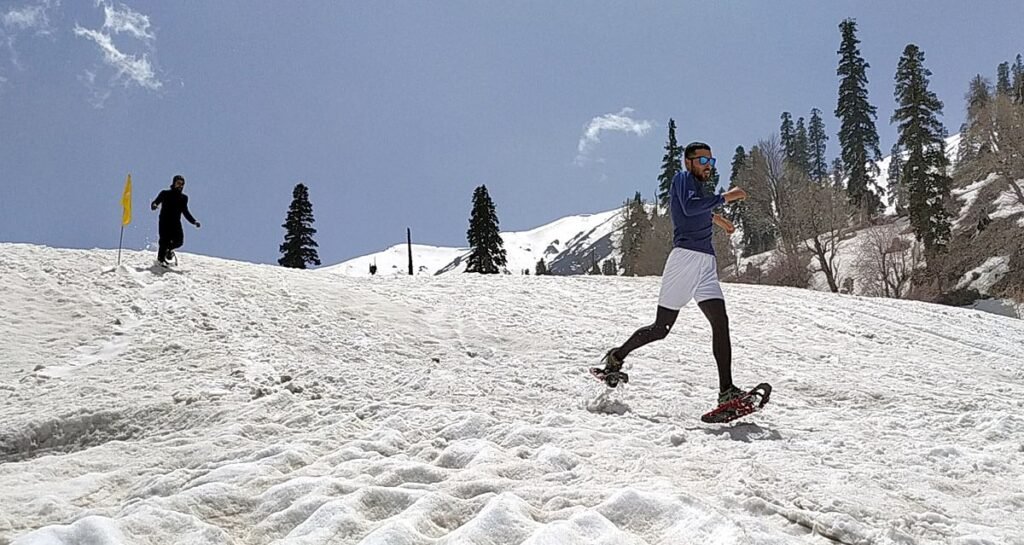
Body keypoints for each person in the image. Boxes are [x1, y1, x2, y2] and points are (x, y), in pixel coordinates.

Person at [592, 141, 750, 408]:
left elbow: (693, 208)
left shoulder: (698, 187)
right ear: (688, 162)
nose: (708, 166)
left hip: (706, 264)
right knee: (661, 328)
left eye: (711, 162)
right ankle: (616, 357)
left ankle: (727, 391)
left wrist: (715, 217)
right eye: (703, 161)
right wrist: (726, 197)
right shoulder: (682, 178)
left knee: (720, 322)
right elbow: (688, 208)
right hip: (685, 259)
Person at [151, 175, 200, 266]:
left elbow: (185, 211)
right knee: (164, 241)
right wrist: (154, 205)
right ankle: (160, 260)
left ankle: (168, 250)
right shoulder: (165, 193)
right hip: (164, 221)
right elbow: (155, 202)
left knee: (179, 241)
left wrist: (194, 221)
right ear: (174, 183)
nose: (180, 186)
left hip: (176, 223)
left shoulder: (184, 198)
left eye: (182, 184)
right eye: (178, 183)